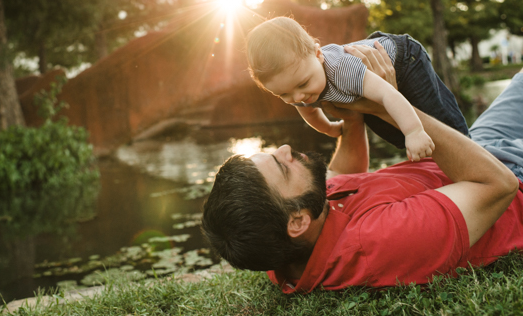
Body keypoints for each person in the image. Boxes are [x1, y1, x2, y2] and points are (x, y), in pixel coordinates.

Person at [202, 44, 523, 293]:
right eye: (282, 166)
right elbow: (498, 184)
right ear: (297, 220)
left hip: (469, 152)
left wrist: (351, 114)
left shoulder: (289, 238)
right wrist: (386, 105)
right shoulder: (382, 240)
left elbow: (343, 175)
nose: (286, 149)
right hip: (507, 175)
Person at [246, 17, 469, 161]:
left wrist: (414, 131)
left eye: (303, 84)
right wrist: (329, 128)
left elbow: (387, 93)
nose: (298, 97)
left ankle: (469, 146)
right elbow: (308, 110)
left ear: (318, 55)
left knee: (438, 117)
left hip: (404, 60)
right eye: (283, 94)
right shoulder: (299, 84)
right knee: (396, 136)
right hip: (362, 85)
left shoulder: (342, 70)